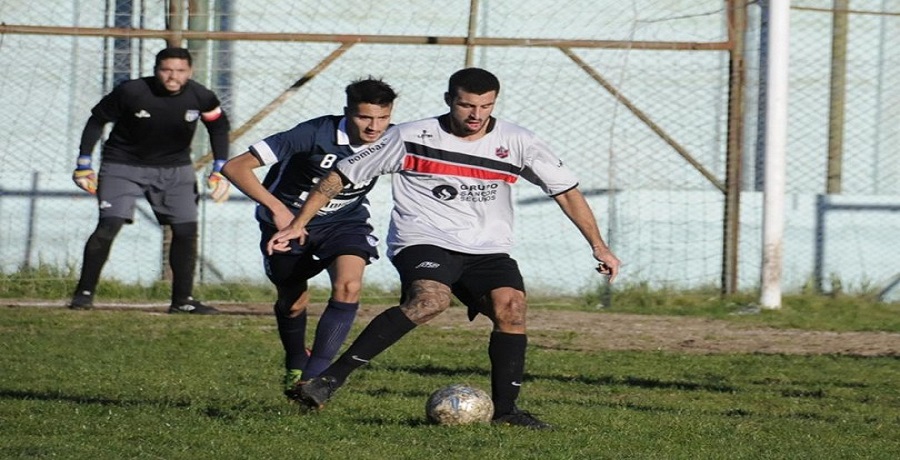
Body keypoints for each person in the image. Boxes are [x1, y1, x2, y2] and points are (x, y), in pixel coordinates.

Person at [268, 68, 621, 429]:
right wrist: (298, 224)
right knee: (430, 301)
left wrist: (600, 247)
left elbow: (566, 191)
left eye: (485, 106)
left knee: (512, 308)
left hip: (487, 248)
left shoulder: (519, 141)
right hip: (423, 239)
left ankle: (506, 412)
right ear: (449, 100)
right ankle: (328, 380)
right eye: (467, 105)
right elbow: (340, 176)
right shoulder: (410, 136)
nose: (476, 115)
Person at [221, 78, 398, 398]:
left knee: (349, 285)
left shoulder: (394, 138)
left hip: (345, 221)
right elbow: (236, 167)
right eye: (364, 117)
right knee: (292, 302)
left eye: (382, 118)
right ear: (347, 112)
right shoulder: (313, 134)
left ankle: (315, 381)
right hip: (288, 224)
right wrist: (276, 209)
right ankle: (294, 361)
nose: (374, 127)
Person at [69, 47, 231, 314]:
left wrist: (220, 168)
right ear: (156, 70)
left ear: (190, 72)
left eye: (180, 71)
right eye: (166, 70)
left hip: (175, 169)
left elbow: (219, 126)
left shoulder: (202, 96)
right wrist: (83, 164)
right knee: (110, 225)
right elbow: (97, 121)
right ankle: (83, 294)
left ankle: (183, 301)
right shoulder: (131, 92)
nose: (172, 76)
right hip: (122, 165)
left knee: (186, 231)